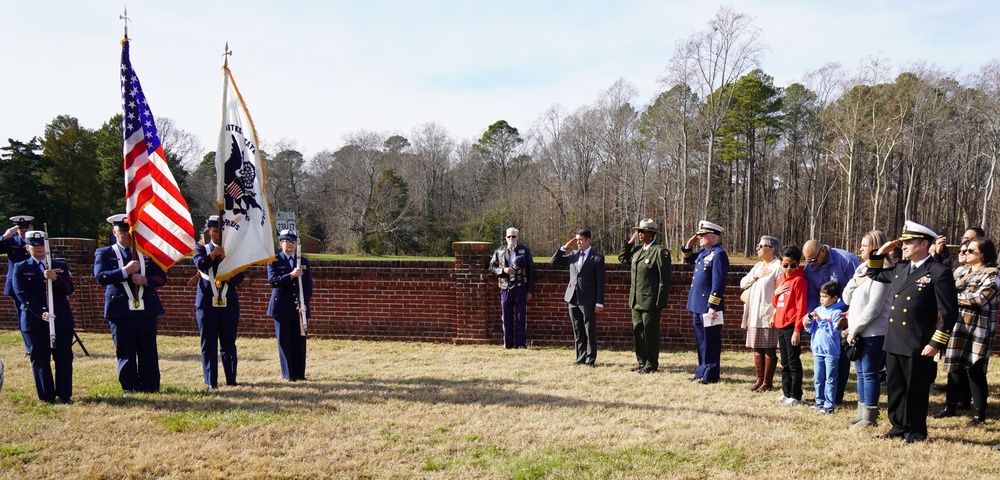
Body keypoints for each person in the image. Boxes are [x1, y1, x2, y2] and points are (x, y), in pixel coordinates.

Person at [867, 221, 958, 443]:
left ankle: (915, 431)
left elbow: (949, 313)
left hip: (918, 342)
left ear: (924, 244)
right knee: (896, 387)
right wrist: (880, 252)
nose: (904, 246)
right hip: (895, 339)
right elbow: (874, 273)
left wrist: (936, 342)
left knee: (915, 390)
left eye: (908, 242)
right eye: (904, 242)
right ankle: (897, 426)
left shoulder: (938, 271)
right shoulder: (900, 269)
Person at [94, 214, 168, 394]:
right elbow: (100, 277)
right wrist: (124, 271)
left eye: (131, 232)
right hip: (120, 309)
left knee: (148, 350)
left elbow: (161, 277)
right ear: (114, 232)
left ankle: (151, 386)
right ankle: (130, 387)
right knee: (125, 350)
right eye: (123, 231)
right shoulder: (105, 253)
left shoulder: (148, 252)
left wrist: (146, 280)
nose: (127, 235)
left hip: (146, 309)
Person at [934, 237, 998, 426]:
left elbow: (980, 299)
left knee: (974, 369)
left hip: (977, 328)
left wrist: (952, 297)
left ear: (983, 254)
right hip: (957, 325)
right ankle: (950, 406)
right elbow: (945, 290)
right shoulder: (961, 271)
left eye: (971, 251)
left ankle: (979, 414)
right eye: (964, 250)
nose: (965, 253)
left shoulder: (993, 274)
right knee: (954, 367)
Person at [13, 230, 75, 403]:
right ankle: (46, 396)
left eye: (42, 245)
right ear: (27, 247)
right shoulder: (21, 268)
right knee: (40, 358)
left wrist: (56, 279)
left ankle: (65, 394)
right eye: (34, 245)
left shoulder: (59, 265)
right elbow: (22, 294)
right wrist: (41, 312)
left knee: (63, 357)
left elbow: (69, 289)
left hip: (61, 319)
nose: (39, 248)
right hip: (35, 321)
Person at [842, 230, 893, 428]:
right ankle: (861, 413)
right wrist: (856, 281)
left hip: (874, 331)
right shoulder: (863, 268)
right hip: (858, 330)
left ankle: (870, 417)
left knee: (870, 373)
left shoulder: (884, 271)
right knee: (861, 372)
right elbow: (846, 297)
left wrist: (854, 329)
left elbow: (875, 307)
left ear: (874, 247)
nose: (860, 248)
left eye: (864, 245)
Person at [802, 239, 860, 404]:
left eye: (813, 259)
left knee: (840, 356)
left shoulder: (846, 261)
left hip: (843, 316)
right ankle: (821, 396)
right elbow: (813, 294)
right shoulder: (810, 267)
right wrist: (810, 314)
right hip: (822, 316)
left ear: (822, 250)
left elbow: (858, 289)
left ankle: (836, 396)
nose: (811, 264)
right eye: (808, 261)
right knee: (821, 361)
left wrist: (850, 316)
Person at [193, 215, 245, 389]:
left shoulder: (233, 251)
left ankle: (231, 379)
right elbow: (200, 265)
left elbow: (241, 276)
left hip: (228, 302)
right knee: (208, 343)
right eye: (215, 231)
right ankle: (211, 382)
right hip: (207, 302)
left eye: (221, 231)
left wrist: (230, 275)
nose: (217, 235)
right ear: (210, 231)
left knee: (228, 342)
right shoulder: (201, 249)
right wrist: (212, 255)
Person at [619, 219, 671, 373]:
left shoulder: (660, 252)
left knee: (650, 333)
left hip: (651, 302)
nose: (639, 234)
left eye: (643, 231)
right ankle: (642, 362)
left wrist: (661, 301)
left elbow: (665, 279)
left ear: (652, 233)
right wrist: (629, 243)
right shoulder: (637, 251)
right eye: (638, 231)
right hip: (635, 300)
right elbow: (623, 258)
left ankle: (651, 364)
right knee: (638, 332)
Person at [682, 220, 729, 384]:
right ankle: (701, 371)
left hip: (709, 307)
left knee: (711, 341)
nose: (699, 238)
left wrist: (713, 306)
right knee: (701, 340)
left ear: (713, 237)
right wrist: (688, 245)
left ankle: (711, 374)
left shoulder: (718, 254)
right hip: (697, 305)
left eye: (702, 235)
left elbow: (719, 283)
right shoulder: (704, 253)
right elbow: (688, 259)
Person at [551, 228, 606, 367]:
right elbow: (554, 261)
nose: (578, 243)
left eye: (581, 240)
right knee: (578, 330)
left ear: (589, 240)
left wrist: (599, 302)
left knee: (589, 330)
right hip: (572, 298)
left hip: (588, 299)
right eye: (576, 240)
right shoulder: (573, 255)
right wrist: (565, 248)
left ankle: (590, 359)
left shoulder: (597, 258)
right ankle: (580, 358)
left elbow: (601, 282)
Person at [267, 230, 312, 381]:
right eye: (287, 241)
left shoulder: (303, 261)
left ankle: (300, 374)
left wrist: (304, 303)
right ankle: (288, 375)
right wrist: (291, 275)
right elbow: (273, 281)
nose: (290, 245)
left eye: (293, 242)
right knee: (285, 342)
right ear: (280, 243)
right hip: (281, 307)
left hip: (299, 308)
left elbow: (308, 285)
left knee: (299, 343)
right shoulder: (274, 260)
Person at [740, 235, 781, 392]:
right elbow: (743, 284)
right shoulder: (757, 266)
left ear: (771, 249)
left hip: (768, 313)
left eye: (761, 245)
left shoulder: (778, 267)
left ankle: (767, 382)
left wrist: (776, 313)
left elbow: (781, 292)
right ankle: (759, 380)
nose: (757, 248)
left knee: (769, 348)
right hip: (754, 312)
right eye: (758, 245)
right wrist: (755, 276)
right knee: (757, 346)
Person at [488, 227, 535, 349]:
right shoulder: (499, 251)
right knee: (506, 317)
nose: (511, 239)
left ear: (517, 237)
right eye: (509, 236)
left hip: (520, 287)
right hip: (505, 288)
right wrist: (503, 270)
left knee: (521, 317)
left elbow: (531, 271)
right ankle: (508, 344)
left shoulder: (524, 251)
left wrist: (529, 291)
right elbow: (491, 267)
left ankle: (521, 344)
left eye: (513, 236)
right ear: (505, 238)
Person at [773, 245, 808, 406]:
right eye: (785, 265)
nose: (789, 269)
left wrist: (797, 330)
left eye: (793, 265)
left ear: (798, 264)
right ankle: (786, 393)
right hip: (781, 325)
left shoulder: (799, 280)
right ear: (780, 263)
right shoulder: (781, 280)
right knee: (784, 361)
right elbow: (777, 303)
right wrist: (776, 292)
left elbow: (801, 307)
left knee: (793, 362)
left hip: (792, 326)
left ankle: (796, 395)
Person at [804, 281, 846, 414]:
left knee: (830, 378)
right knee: (818, 377)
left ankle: (829, 404)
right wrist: (808, 321)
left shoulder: (837, 313)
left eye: (825, 296)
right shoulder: (818, 310)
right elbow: (811, 330)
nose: (822, 299)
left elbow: (834, 333)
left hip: (831, 351)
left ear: (834, 298)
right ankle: (819, 401)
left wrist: (821, 321)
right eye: (821, 296)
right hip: (818, 349)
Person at [2, 215, 35, 353]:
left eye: (25, 227)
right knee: (23, 314)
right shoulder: (11, 242)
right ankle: (29, 347)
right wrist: (5, 236)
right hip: (16, 284)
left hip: (34, 283)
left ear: (31, 227)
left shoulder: (35, 241)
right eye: (20, 228)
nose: (22, 230)